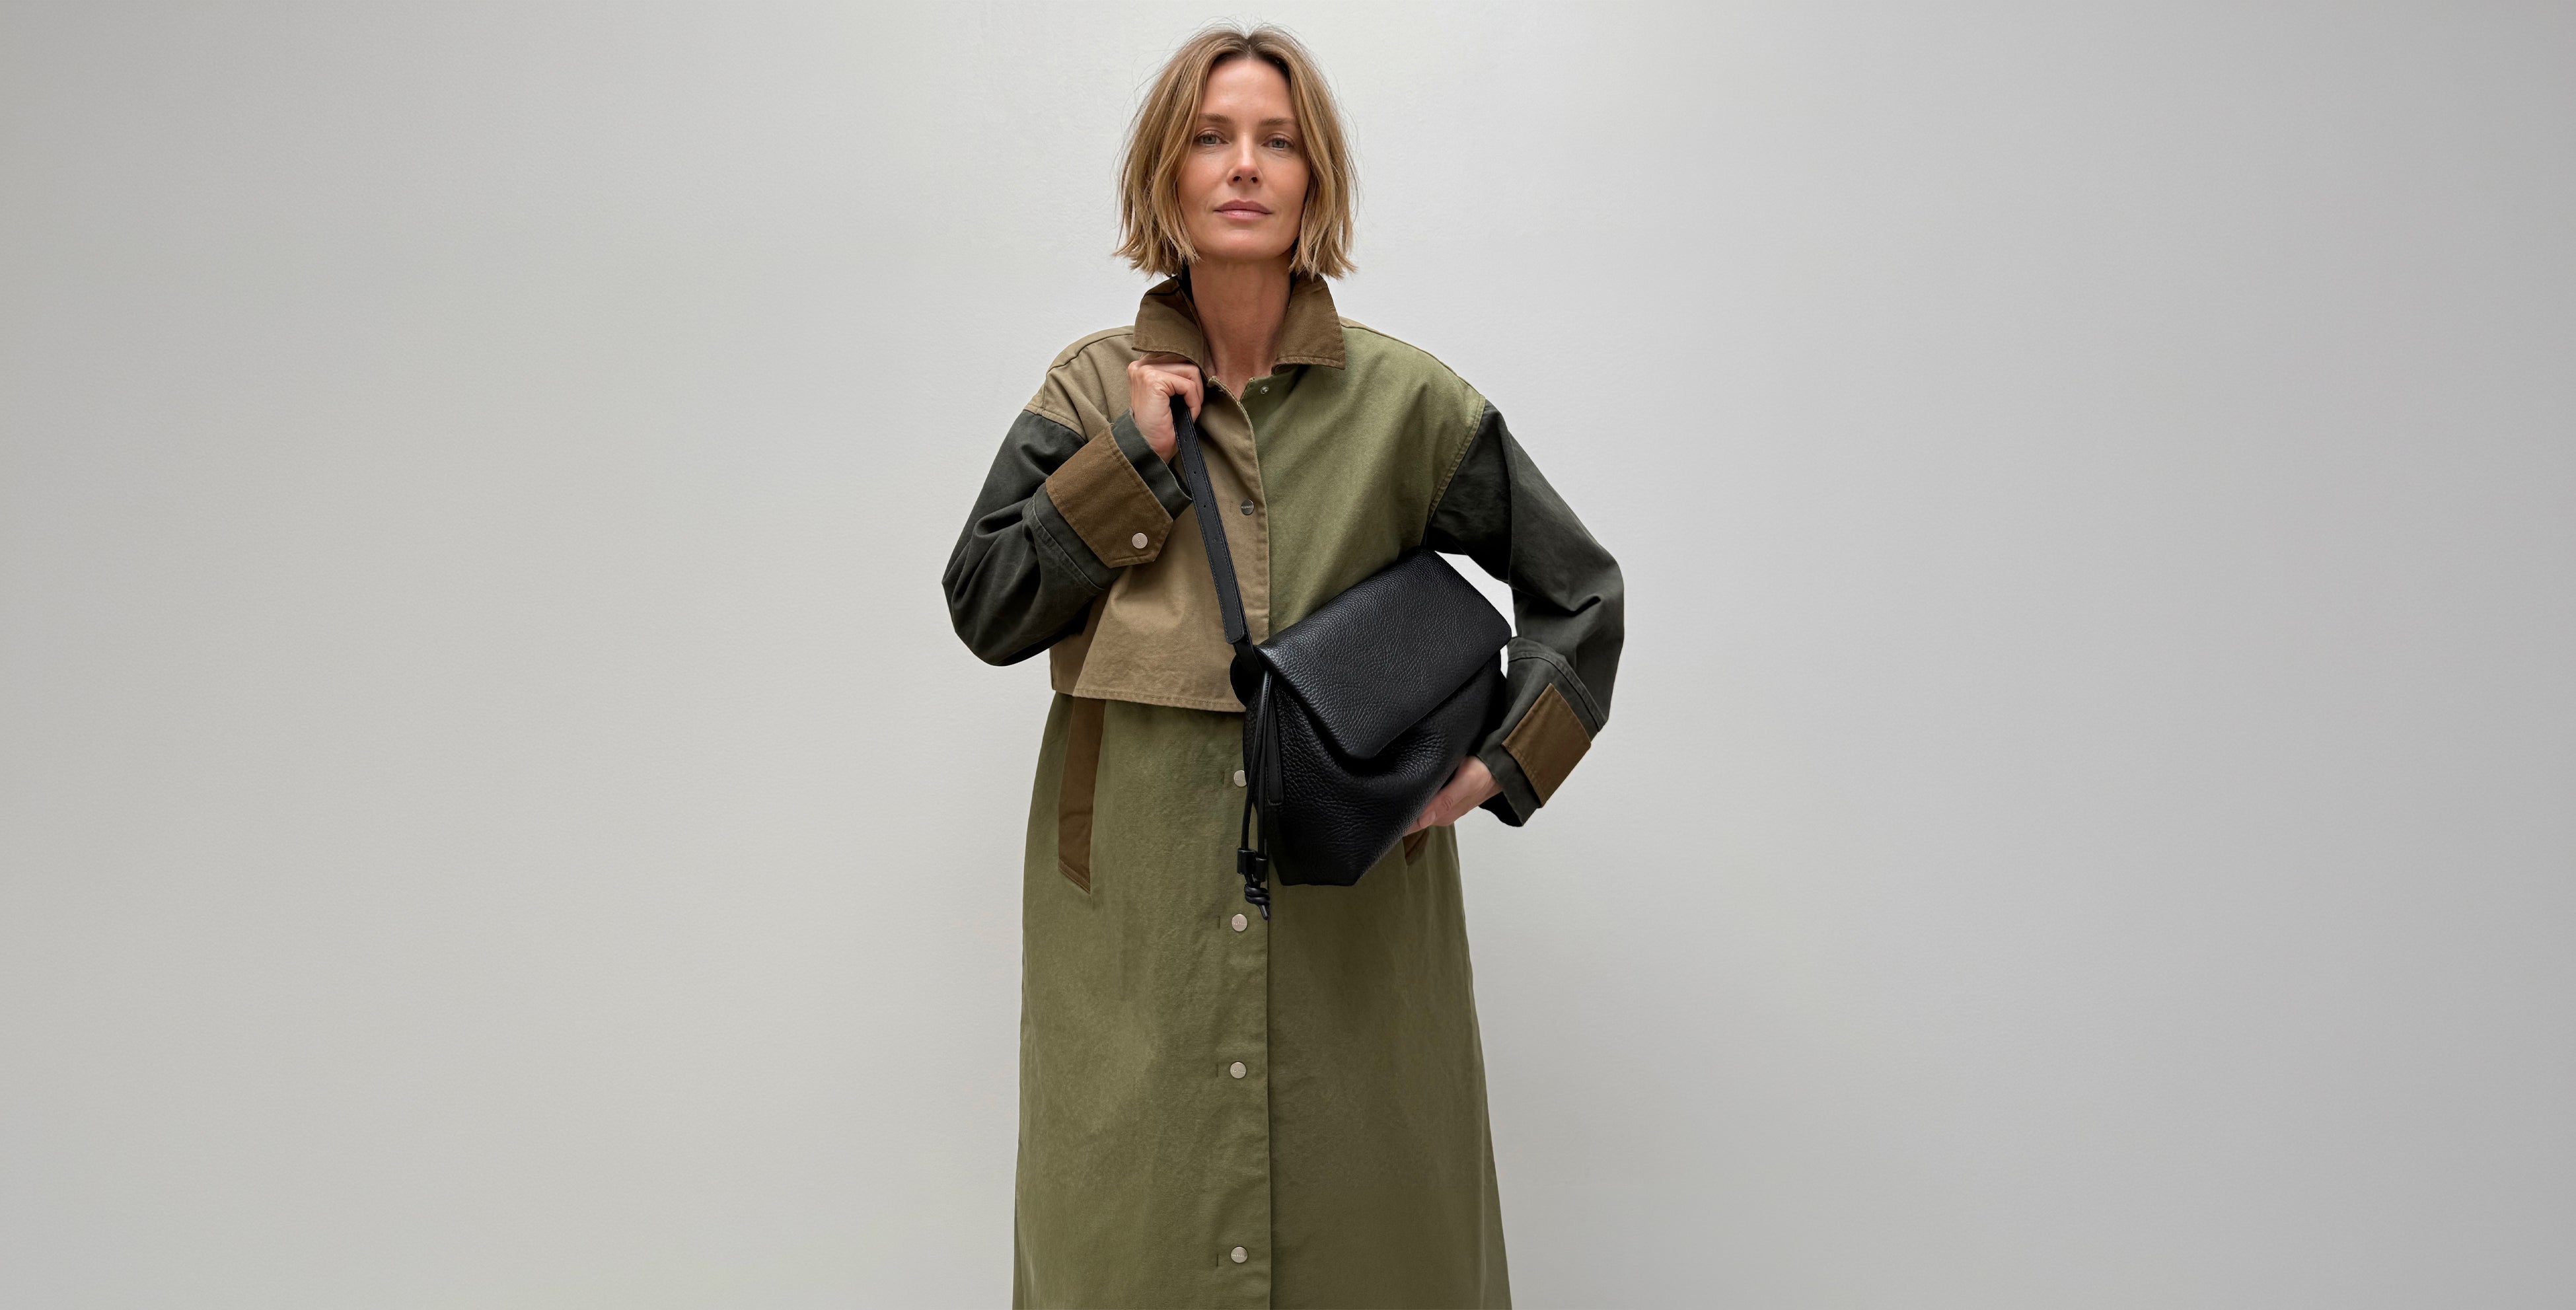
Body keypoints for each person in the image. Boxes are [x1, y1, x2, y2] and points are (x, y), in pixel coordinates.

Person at [941, 24, 1623, 1309]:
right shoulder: (1089, 391)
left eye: (1278, 140)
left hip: (1357, 905)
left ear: (1317, 179)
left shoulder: (1409, 405)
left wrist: (1492, 768)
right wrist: (1129, 459)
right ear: (1167, 170)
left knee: (1374, 1234)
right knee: (1126, 1236)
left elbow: (1580, 592)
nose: (1244, 164)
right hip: (1130, 916)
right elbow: (985, 604)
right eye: (1211, 136)